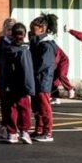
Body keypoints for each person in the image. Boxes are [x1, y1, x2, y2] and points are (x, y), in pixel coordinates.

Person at [0, 19, 35, 145]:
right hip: (10, 81)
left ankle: (17, 130)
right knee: (10, 108)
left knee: (19, 107)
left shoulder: (22, 47)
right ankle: (13, 130)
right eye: (8, 29)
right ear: (4, 30)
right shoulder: (5, 45)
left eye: (13, 29)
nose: (11, 32)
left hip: (13, 82)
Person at [27, 15, 62, 144]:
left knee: (44, 107)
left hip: (43, 80)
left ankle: (47, 132)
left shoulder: (47, 45)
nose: (30, 31)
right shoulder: (37, 41)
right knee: (36, 106)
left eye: (33, 28)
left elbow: (44, 64)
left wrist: (30, 70)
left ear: (42, 28)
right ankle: (39, 129)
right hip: (36, 79)